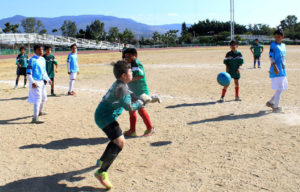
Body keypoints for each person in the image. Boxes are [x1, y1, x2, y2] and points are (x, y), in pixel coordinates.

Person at [94, 61, 145, 189]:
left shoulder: (121, 84)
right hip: (105, 118)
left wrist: (141, 98)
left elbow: (130, 95)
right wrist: (141, 103)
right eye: (130, 72)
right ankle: (101, 172)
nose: (132, 73)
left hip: (103, 115)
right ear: (123, 75)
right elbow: (129, 107)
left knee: (115, 140)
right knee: (120, 142)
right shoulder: (121, 87)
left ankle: (101, 161)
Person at [123, 48, 159, 137]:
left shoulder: (137, 64)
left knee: (141, 111)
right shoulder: (130, 64)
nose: (126, 58)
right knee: (131, 110)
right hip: (132, 91)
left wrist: (129, 80)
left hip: (140, 91)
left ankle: (150, 128)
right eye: (125, 56)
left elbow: (140, 75)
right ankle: (132, 131)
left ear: (135, 56)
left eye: (129, 56)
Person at [26, 44, 52, 123]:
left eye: (42, 50)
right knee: (37, 99)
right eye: (39, 50)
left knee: (44, 97)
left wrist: (48, 79)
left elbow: (44, 72)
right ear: (35, 51)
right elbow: (28, 73)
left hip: (41, 82)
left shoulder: (43, 59)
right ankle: (35, 118)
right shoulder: (32, 60)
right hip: (35, 82)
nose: (41, 51)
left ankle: (40, 112)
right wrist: (32, 82)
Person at [266, 29, 288, 113]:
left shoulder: (284, 45)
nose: (276, 38)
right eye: (275, 37)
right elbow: (271, 56)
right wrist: (274, 67)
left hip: (282, 69)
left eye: (278, 37)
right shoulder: (273, 45)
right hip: (276, 69)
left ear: (283, 37)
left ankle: (271, 102)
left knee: (282, 88)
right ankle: (275, 107)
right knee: (280, 88)